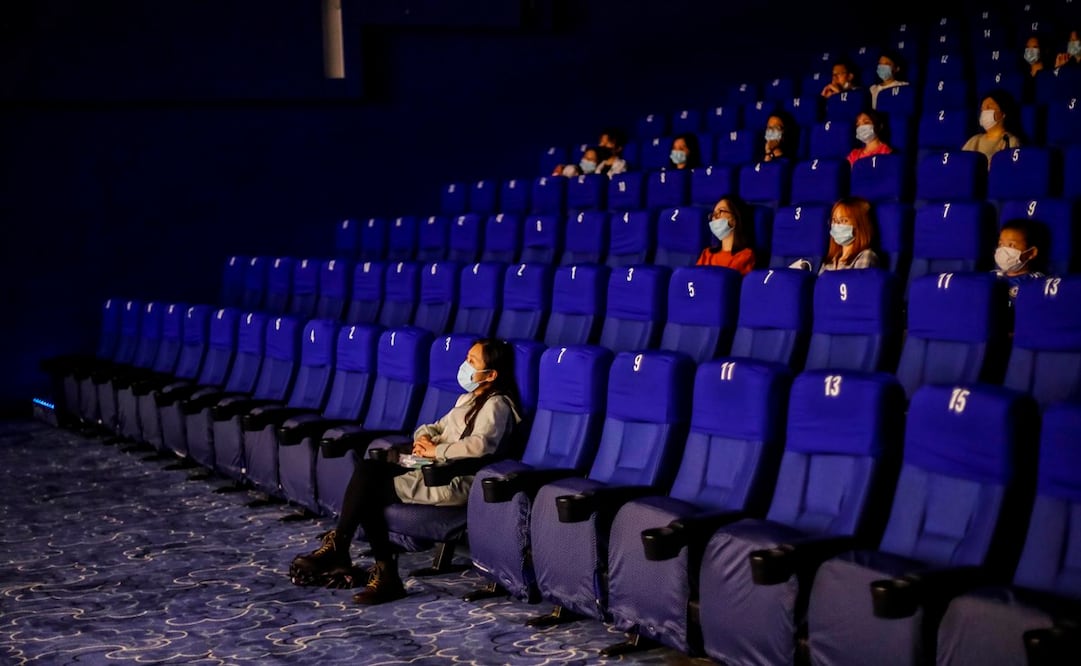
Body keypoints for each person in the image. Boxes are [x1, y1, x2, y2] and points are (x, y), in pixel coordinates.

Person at [289, 338, 523, 605]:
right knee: (369, 470)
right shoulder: (467, 399)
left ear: (491, 374)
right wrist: (423, 439)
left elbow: (481, 445)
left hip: (454, 481)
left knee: (369, 487)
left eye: (472, 361)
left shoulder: (498, 405)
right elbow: (434, 426)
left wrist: (436, 451)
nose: (464, 366)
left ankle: (362, 561)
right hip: (434, 471)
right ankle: (364, 563)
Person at [695, 194, 756, 274]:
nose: (715, 217)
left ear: (735, 218)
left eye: (721, 211)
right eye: (713, 214)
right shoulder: (706, 253)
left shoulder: (745, 255)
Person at [818, 196, 880, 272]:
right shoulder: (830, 261)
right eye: (834, 220)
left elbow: (856, 283)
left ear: (859, 225)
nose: (836, 224)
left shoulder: (866, 256)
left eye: (843, 220)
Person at [993, 218, 1047, 305]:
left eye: (1012, 245)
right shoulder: (992, 277)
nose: (1003, 250)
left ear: (1031, 252)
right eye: (1000, 244)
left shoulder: (1036, 281)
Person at [962, 89, 1023, 165]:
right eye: (982, 109)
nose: (984, 112)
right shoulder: (974, 140)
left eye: (989, 108)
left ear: (1003, 113)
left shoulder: (1011, 141)